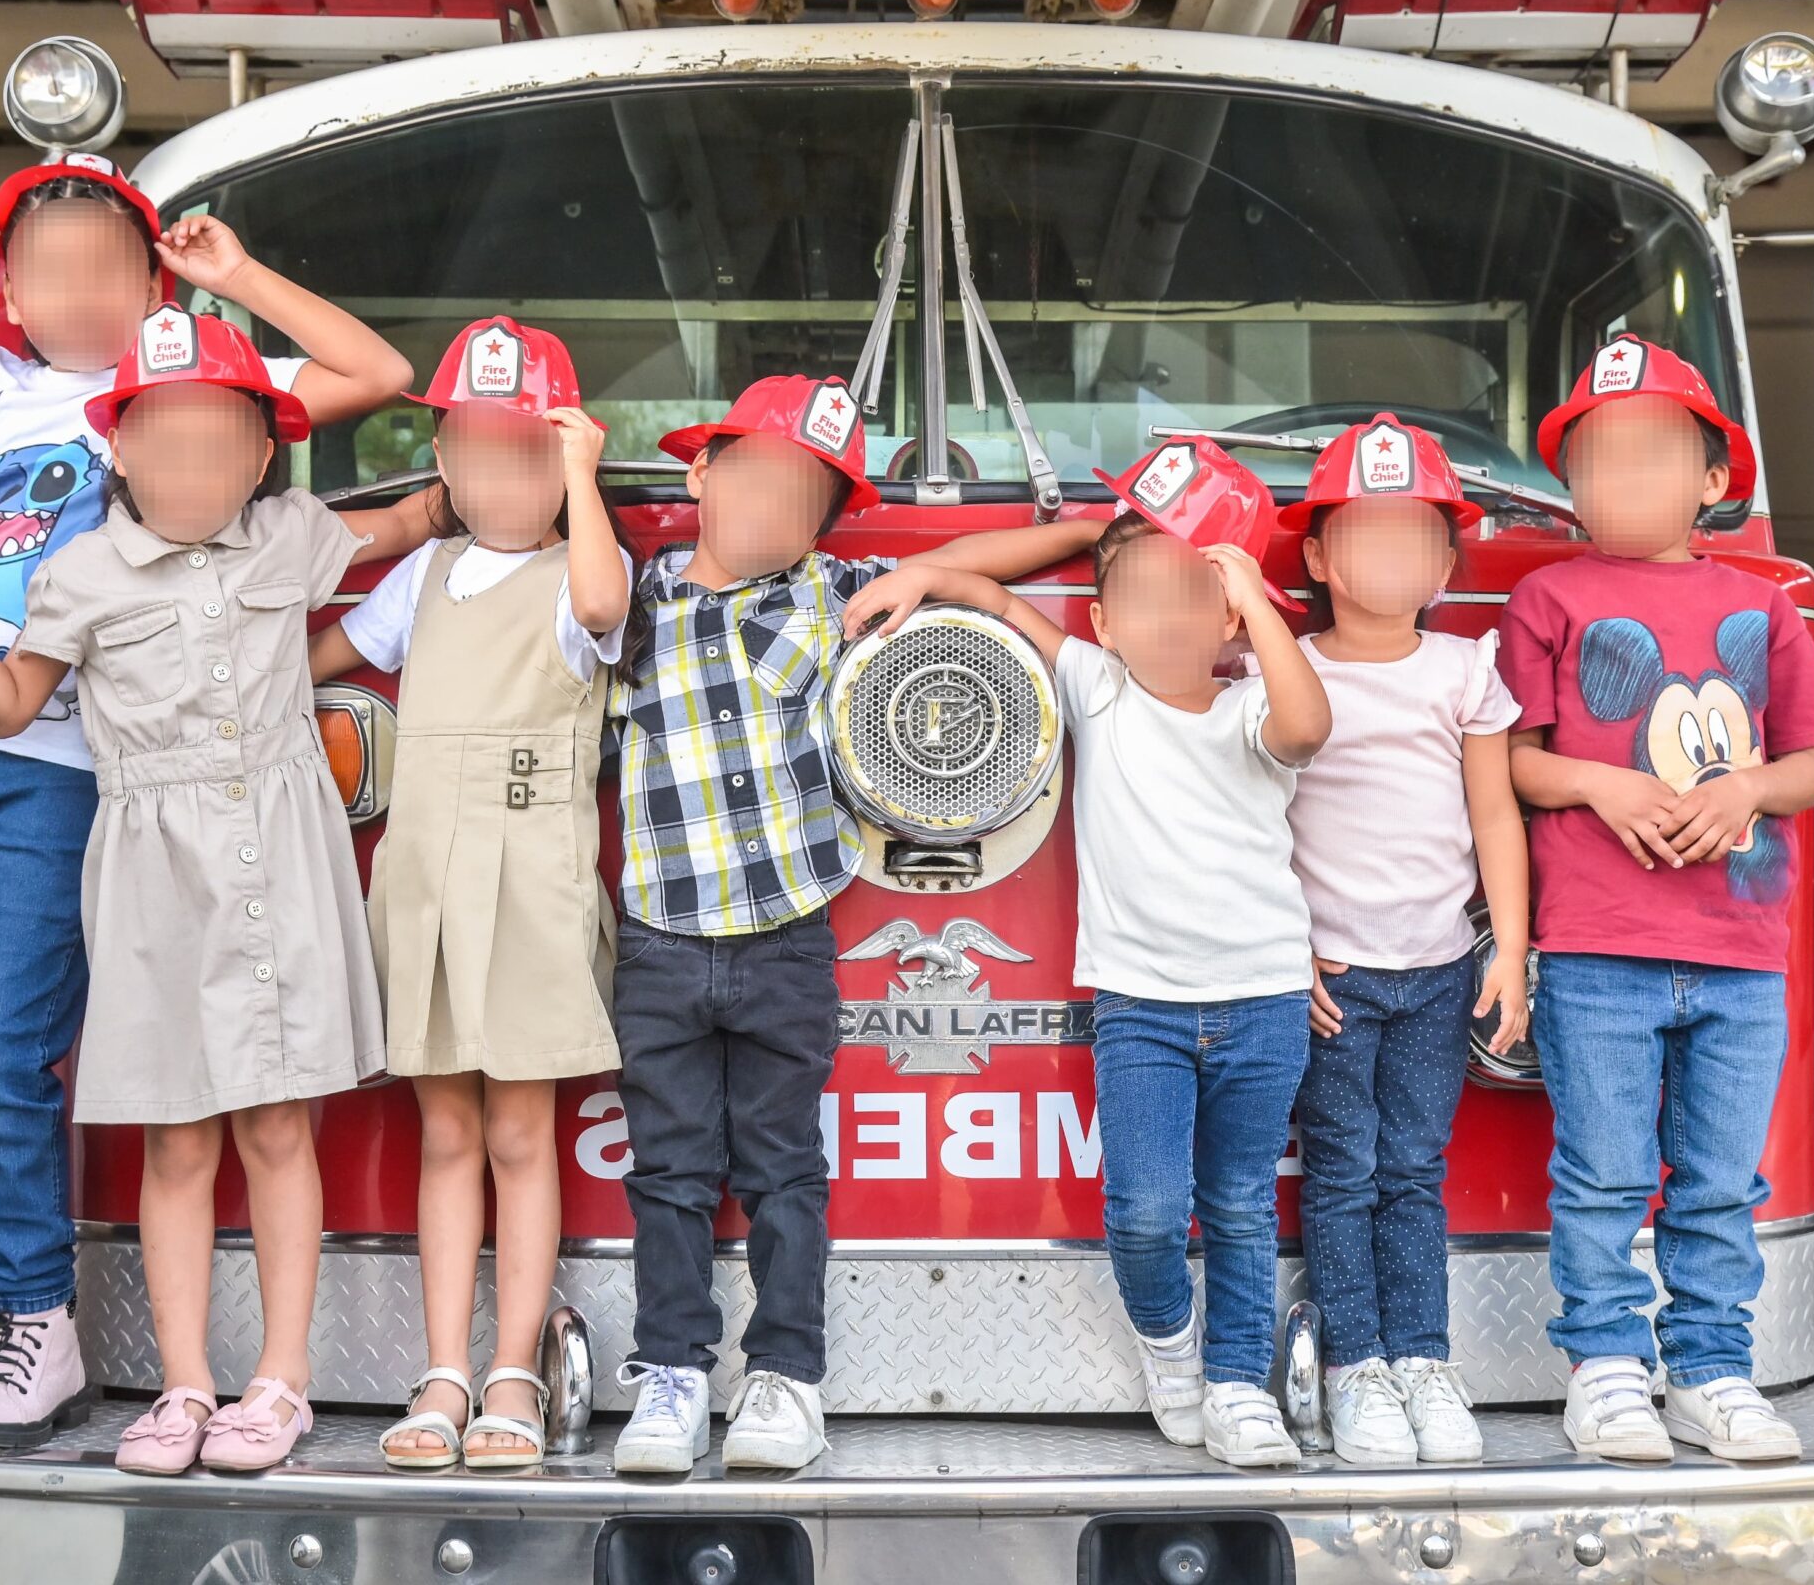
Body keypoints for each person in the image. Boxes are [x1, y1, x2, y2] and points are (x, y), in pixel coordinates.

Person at [0, 158, 413, 1447]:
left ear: (155, 283)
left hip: (72, 770)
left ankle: (37, 1316)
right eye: (47, 268)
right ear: (5, 283)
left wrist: (234, 277)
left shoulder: (185, 394)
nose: (79, 292)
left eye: (109, 268)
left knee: (5, 1054)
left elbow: (375, 376)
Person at [0, 306, 434, 1474]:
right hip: (152, 880)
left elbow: (419, 516)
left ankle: (280, 1381)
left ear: (263, 455)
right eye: (163, 443)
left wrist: (523, 480)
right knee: (175, 1140)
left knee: (277, 1125)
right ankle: (184, 1386)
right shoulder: (77, 572)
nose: (190, 469)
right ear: (117, 448)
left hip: (277, 864)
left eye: (219, 445)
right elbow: (10, 705)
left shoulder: (292, 534)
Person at [605, 375, 1105, 1474]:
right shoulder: (626, 600)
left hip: (787, 935)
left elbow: (972, 565)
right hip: (660, 938)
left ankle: (787, 1378)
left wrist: (1078, 532)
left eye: (806, 499)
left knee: (784, 1168)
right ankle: (671, 1374)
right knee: (669, 1169)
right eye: (757, 478)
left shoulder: (834, 594)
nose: (775, 510)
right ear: (701, 471)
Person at [876, 436, 1330, 1468]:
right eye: (1140, 599)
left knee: (1240, 1204)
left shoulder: (1254, 708)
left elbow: (1308, 727)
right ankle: (1169, 1342)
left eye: (1193, 596)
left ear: (1228, 617)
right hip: (1141, 1007)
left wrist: (1253, 597)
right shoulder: (1094, 686)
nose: (1166, 618)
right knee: (1147, 1210)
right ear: (1103, 622)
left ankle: (1237, 1384)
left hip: (1263, 998)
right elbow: (985, 593)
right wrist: (922, 577)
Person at [1498, 336, 1814, 1463]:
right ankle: (1605, 1369)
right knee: (1602, 1173)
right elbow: (1514, 761)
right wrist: (1600, 781)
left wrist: (1746, 785)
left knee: (1720, 1181)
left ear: (1714, 479)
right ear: (1569, 485)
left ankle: (1711, 1369)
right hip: (1596, 948)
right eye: (1596, 460)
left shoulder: (1762, 604)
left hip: (1742, 955)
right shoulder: (1545, 596)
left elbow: (1812, 767)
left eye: (1652, 455)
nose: (1621, 478)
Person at [307, 319, 633, 1470]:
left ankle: (513, 1367)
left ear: (566, 455)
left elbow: (603, 605)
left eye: (531, 452)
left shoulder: (578, 576)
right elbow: (318, 659)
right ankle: (443, 1366)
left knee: (518, 1131)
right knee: (446, 1130)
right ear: (442, 458)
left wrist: (583, 477)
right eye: (478, 451)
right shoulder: (423, 574)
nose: (504, 478)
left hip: (530, 885)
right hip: (427, 883)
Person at [1276, 415, 1527, 1465]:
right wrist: (1285, 949)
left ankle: (1423, 1358)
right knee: (1341, 1171)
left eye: (1416, 536)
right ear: (1316, 557)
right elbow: (1256, 825)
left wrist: (1508, 949)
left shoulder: (1465, 670)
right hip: (1332, 975)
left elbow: (1495, 816)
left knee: (1414, 1167)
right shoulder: (1286, 673)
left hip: (1437, 972)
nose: (1391, 555)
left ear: (1445, 565)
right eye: (1364, 534)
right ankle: (1355, 1367)